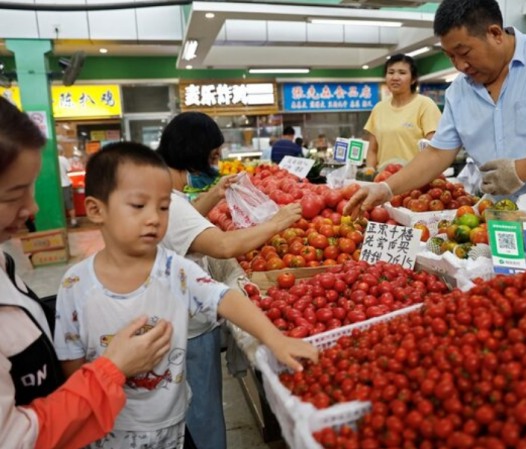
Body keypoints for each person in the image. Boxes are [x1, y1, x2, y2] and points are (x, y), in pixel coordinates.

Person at [52, 142, 317, 449]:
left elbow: (224, 299)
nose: (154, 218)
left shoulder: (175, 270)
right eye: (139, 206)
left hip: (173, 427)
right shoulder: (75, 285)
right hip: (108, 429)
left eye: (163, 207)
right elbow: (70, 359)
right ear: (97, 210)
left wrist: (275, 338)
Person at [0, 96, 174, 449]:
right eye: (13, 194)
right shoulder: (76, 282)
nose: (32, 208)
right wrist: (113, 369)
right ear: (97, 210)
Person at [345, 0, 526, 225]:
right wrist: (387, 187)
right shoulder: (459, 91)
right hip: (504, 227)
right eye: (451, 56)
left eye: (464, 52)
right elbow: (438, 153)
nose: (460, 65)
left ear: (495, 33)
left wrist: (522, 169)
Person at [156, 111, 303, 449]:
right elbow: (223, 246)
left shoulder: (168, 192)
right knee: (202, 415)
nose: (217, 161)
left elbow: (188, 213)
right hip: (187, 329)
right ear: (194, 151)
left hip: (176, 317)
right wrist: (277, 223)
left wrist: (217, 193)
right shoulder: (169, 204)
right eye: (213, 154)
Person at [363, 53, 442, 169]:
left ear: (413, 79)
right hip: (383, 179)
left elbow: (434, 148)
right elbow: (372, 151)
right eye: (391, 72)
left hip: (415, 179)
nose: (395, 77)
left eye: (402, 73)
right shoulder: (378, 109)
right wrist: (370, 170)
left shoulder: (425, 105)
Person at [58, 147, 78, 227]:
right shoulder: (63, 159)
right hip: (65, 184)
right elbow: (69, 170)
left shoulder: (49, 159)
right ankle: (73, 221)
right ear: (61, 151)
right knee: (69, 204)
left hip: (55, 186)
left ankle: (60, 223)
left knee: (59, 204)